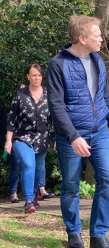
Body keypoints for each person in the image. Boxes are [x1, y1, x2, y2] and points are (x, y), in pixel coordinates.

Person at [47, 15, 109, 248]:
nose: (101, 38)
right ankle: (74, 235)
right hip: (71, 136)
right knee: (70, 186)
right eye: (97, 35)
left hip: (99, 131)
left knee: (108, 180)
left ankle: (99, 236)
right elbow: (56, 106)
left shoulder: (98, 60)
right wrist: (73, 136)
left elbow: (104, 95)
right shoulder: (57, 64)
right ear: (82, 38)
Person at [4, 64, 51, 214]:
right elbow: (12, 119)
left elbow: (55, 118)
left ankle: (35, 198)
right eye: (33, 75)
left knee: (38, 169)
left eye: (39, 75)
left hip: (42, 137)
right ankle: (29, 200)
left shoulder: (48, 95)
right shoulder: (20, 95)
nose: (36, 78)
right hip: (21, 136)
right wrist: (8, 140)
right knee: (28, 165)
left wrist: (60, 137)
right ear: (28, 76)